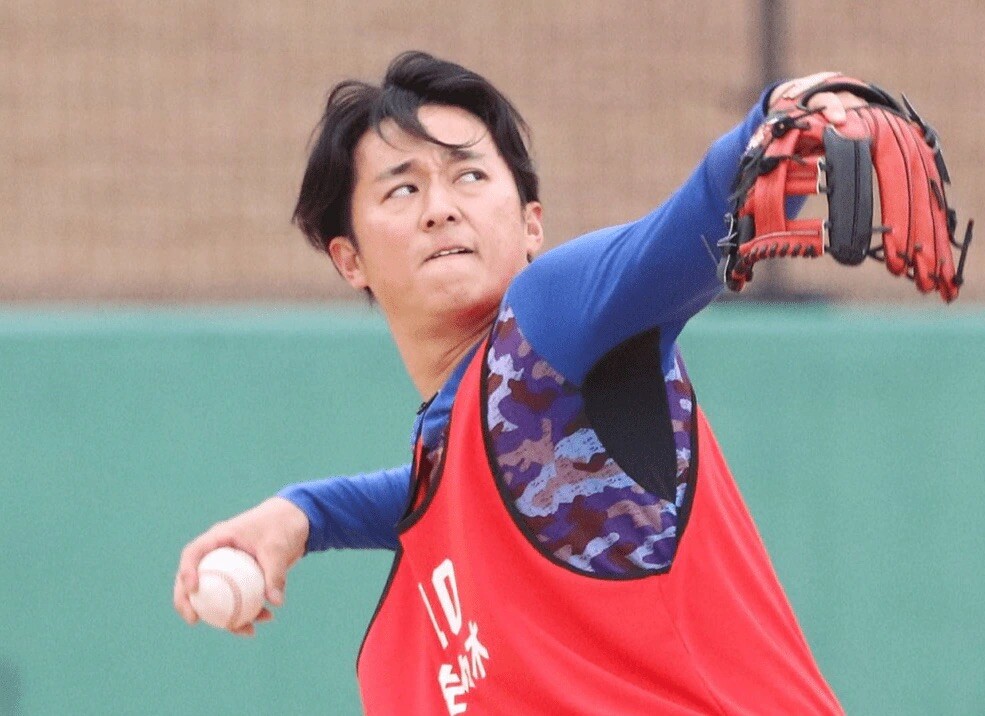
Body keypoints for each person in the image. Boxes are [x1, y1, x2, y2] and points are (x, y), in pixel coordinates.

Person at [174, 52, 860, 715]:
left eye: (469, 175)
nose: (440, 208)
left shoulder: (545, 322)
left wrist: (779, 121)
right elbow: (445, 490)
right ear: (349, 259)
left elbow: (684, 232)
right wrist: (305, 515)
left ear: (532, 225)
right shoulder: (460, 466)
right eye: (403, 188)